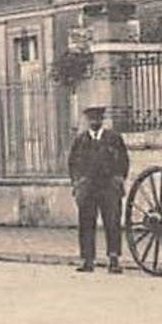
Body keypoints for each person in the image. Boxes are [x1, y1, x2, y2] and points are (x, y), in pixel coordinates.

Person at [68, 105, 129, 273]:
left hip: (108, 187)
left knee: (113, 223)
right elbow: (72, 163)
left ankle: (114, 259)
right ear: (87, 121)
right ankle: (88, 260)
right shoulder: (80, 141)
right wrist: (76, 183)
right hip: (88, 188)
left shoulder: (114, 138)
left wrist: (119, 179)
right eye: (91, 119)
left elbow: (124, 160)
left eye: (98, 119)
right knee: (86, 223)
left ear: (102, 120)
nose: (94, 122)